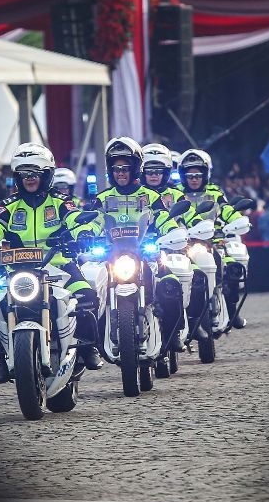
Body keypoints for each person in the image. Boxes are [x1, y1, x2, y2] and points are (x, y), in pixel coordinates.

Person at [0, 142, 101, 382]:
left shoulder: (61, 201)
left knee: (87, 297)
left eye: (34, 174)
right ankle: (2, 357)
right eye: (23, 175)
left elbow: (76, 218)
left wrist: (83, 234)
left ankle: (87, 348)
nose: (29, 179)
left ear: (46, 175)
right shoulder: (9, 206)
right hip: (16, 270)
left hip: (59, 266)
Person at [90, 137, 190, 346]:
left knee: (170, 287)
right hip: (112, 256)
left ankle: (173, 337)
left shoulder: (151, 196)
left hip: (147, 253)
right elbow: (92, 221)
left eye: (126, 168)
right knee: (90, 296)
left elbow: (164, 218)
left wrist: (173, 232)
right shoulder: (102, 198)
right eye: (116, 169)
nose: (121, 173)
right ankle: (92, 346)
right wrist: (84, 234)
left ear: (136, 168)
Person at [176, 148, 251, 328]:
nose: (194, 179)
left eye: (198, 174)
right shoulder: (176, 193)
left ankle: (232, 310)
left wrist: (237, 220)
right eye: (190, 175)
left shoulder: (215, 192)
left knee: (233, 268)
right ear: (182, 175)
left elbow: (226, 210)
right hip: (185, 245)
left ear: (206, 174)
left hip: (215, 241)